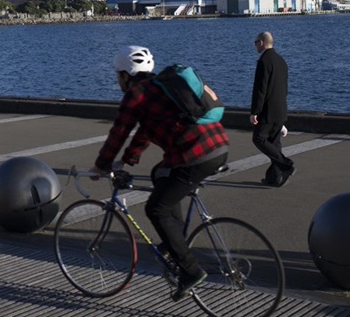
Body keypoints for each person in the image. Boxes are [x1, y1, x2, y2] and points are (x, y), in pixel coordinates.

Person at [94, 45, 230, 302]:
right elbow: (145, 131)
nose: (117, 80)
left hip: (195, 156)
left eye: (117, 75)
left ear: (124, 75)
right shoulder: (160, 87)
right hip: (218, 145)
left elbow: (119, 132)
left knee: (155, 209)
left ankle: (190, 271)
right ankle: (172, 240)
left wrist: (101, 165)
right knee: (161, 174)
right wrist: (128, 160)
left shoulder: (135, 95)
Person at [250, 31, 295, 187]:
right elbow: (284, 87)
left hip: (268, 110)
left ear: (262, 42)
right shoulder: (281, 61)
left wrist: (255, 111)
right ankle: (274, 178)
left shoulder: (264, 61)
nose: (255, 45)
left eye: (255, 42)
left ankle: (285, 165)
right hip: (281, 108)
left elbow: (260, 89)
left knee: (259, 138)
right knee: (274, 143)